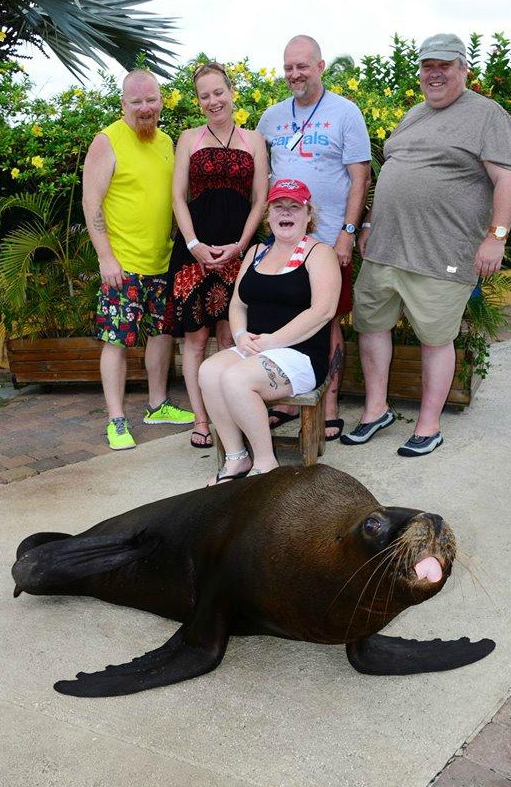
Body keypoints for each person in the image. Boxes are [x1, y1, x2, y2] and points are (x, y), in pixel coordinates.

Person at [343, 33, 511, 456]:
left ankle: (428, 424)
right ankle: (375, 411)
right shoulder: (413, 114)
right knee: (371, 328)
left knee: (435, 338)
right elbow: (393, 171)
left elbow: (508, 179)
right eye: (427, 66)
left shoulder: (487, 115)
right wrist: (368, 221)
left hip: (440, 252)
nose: (434, 73)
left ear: (464, 69)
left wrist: (496, 238)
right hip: (385, 248)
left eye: (444, 65)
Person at [257, 34, 371, 441]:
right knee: (283, 316)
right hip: (283, 243)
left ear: (320, 66)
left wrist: (347, 232)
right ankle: (287, 400)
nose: (294, 74)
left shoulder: (346, 113)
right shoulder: (271, 118)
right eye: (288, 67)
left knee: (330, 320)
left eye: (302, 66)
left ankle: (331, 404)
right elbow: (262, 179)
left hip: (327, 243)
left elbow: (360, 177)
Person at [198, 179, 340, 483]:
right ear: (269, 214)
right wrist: (239, 336)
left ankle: (265, 466)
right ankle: (236, 459)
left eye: (294, 206)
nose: (285, 213)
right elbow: (237, 304)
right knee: (208, 372)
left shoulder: (320, 253)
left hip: (299, 354)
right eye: (279, 206)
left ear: (308, 214)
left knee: (237, 379)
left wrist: (274, 341)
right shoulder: (256, 252)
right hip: (257, 347)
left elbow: (323, 311)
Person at [82, 69, 194, 451]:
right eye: (137, 102)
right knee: (116, 340)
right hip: (122, 264)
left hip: (162, 262)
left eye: (151, 100)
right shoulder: (107, 141)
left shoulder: (166, 141)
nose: (145, 108)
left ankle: (157, 405)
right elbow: (91, 203)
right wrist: (105, 258)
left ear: (161, 101)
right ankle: (116, 419)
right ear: (123, 104)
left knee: (161, 336)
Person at [163, 62, 268, 449]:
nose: (213, 101)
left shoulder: (254, 139)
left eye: (218, 92)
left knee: (231, 338)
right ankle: (202, 419)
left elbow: (260, 200)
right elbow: (178, 197)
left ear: (231, 91)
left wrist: (241, 245)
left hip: (239, 251)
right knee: (194, 340)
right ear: (198, 101)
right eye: (204, 95)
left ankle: (231, 418)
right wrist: (194, 245)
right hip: (195, 252)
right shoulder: (188, 137)